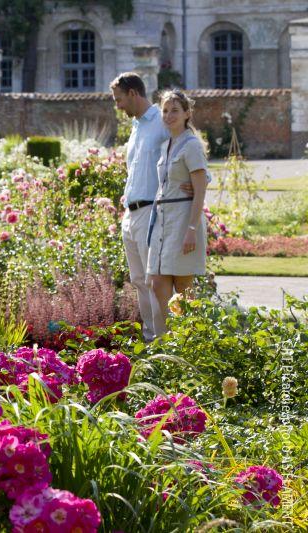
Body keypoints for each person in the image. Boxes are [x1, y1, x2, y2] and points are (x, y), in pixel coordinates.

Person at [111, 72, 193, 342]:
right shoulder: (136, 127)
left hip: (151, 212)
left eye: (119, 99)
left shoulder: (161, 120)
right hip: (130, 213)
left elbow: (189, 145)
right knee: (138, 280)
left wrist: (195, 183)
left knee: (154, 281)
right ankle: (150, 342)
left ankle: (165, 342)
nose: (118, 105)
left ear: (133, 93)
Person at [146, 90, 208, 326]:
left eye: (174, 110)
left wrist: (191, 228)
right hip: (162, 219)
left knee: (183, 286)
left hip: (183, 219)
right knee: (157, 281)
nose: (169, 115)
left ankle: (187, 343)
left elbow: (200, 188)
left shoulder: (191, 145)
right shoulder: (165, 146)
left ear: (186, 113)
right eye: (165, 110)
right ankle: (163, 341)